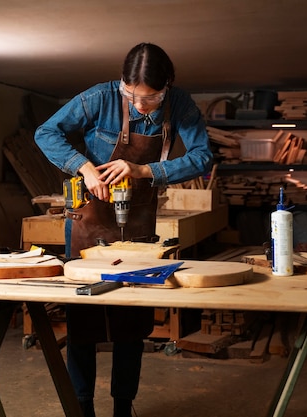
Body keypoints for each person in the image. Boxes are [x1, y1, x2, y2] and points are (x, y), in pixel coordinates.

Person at [34, 42, 213, 417]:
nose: (139, 105)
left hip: (138, 223)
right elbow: (46, 133)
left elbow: (202, 157)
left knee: (131, 323)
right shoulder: (99, 98)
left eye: (150, 99)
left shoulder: (179, 104)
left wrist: (145, 171)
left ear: (167, 87)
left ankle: (122, 406)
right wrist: (83, 167)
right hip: (87, 221)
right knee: (82, 321)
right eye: (131, 95)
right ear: (122, 83)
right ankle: (82, 406)